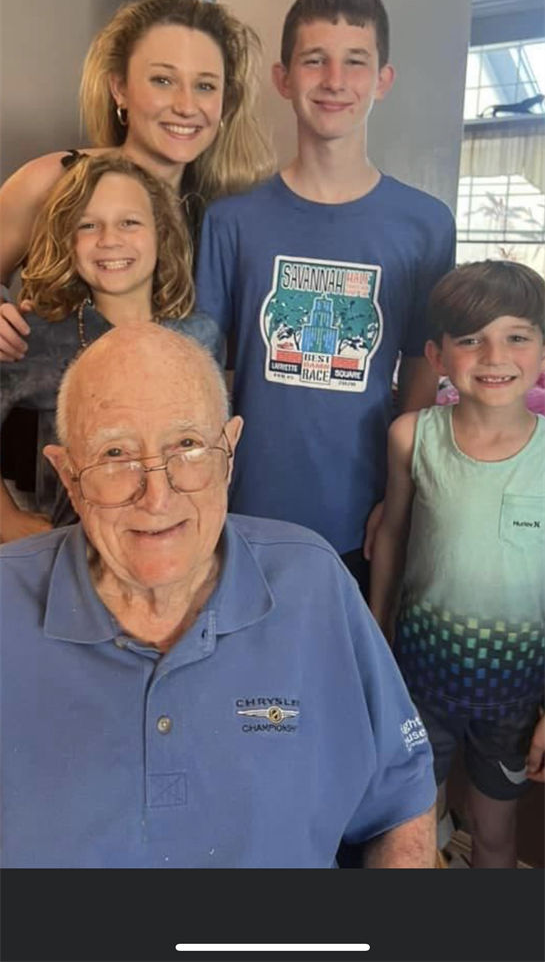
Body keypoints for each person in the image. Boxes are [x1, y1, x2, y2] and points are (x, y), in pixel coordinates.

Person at [0, 324, 436, 869]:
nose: (157, 497)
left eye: (187, 446)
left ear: (228, 451)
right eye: (115, 454)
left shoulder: (313, 583)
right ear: (69, 475)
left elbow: (402, 802)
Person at [195, 0, 456, 593]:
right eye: (315, 61)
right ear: (284, 79)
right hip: (241, 510)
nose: (335, 80)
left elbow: (423, 366)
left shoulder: (425, 225)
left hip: (360, 515)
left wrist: (398, 493)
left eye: (355, 62)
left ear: (382, 81)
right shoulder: (231, 220)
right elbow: (204, 371)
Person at [370, 260, 545, 868]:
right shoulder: (410, 436)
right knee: (415, 831)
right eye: (470, 338)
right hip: (420, 682)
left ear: (543, 351)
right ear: (437, 356)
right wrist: (377, 643)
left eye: (517, 336)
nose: (494, 354)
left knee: (495, 837)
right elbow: (391, 537)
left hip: (517, 697)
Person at [0, 0, 274, 360]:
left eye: (205, 85)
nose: (186, 106)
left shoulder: (226, 216)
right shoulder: (50, 180)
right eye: (163, 80)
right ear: (120, 88)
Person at [0, 152, 223, 543]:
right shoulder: (38, 338)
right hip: (67, 555)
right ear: (66, 239)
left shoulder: (200, 336)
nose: (110, 240)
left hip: (177, 547)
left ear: (161, 232)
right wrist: (5, 518)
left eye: (130, 222)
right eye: (88, 225)